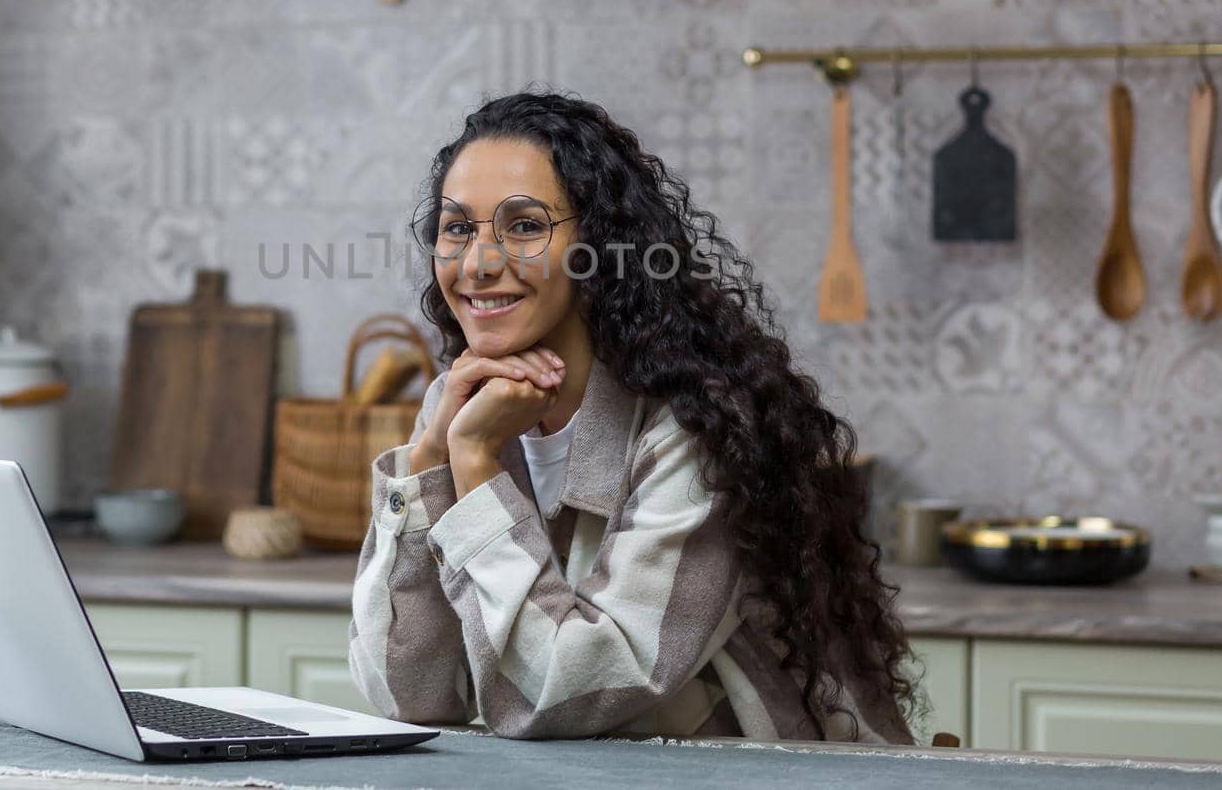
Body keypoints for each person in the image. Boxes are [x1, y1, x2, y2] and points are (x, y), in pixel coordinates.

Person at [348, 90, 915, 743]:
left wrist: (472, 462)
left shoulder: (695, 427)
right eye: (458, 227)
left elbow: (571, 690)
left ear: (600, 245)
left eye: (525, 225)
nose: (478, 262)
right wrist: (427, 462)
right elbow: (406, 693)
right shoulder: (463, 408)